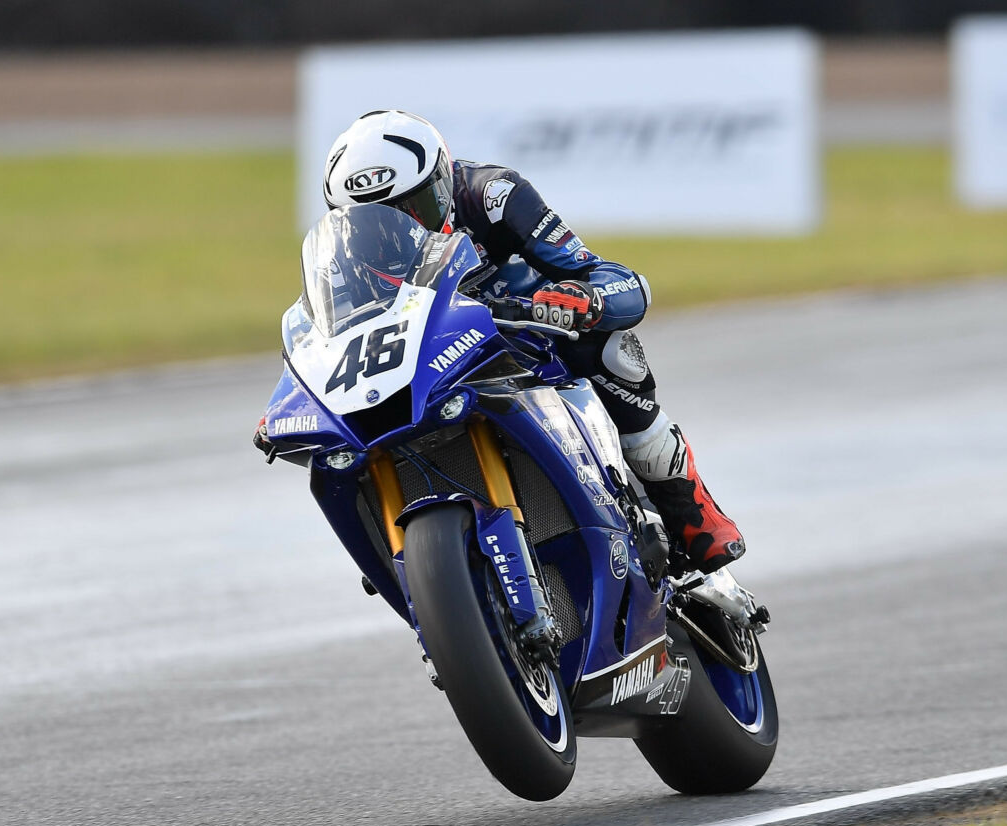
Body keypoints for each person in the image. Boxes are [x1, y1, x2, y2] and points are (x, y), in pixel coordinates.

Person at [316, 109, 745, 575]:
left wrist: (585, 298)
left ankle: (688, 509)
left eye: (414, 207)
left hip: (527, 334)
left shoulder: (492, 195)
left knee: (603, 350)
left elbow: (613, 277)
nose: (401, 229)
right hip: (431, 360)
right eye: (374, 222)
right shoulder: (342, 258)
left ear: (443, 180)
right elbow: (323, 331)